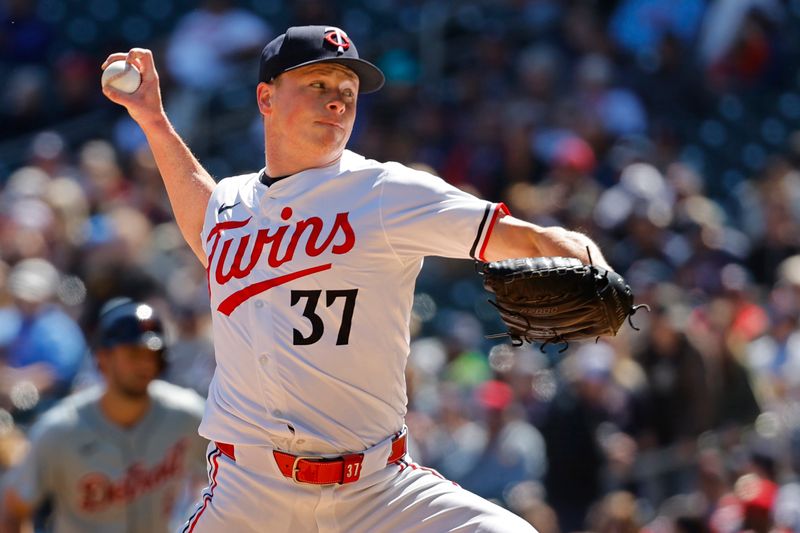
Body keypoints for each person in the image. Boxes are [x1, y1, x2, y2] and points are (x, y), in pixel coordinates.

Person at [100, 25, 612, 532]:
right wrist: (154, 120)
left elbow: (525, 238)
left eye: (347, 92)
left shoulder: (385, 191)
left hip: (377, 491)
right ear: (266, 97)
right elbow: (203, 222)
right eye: (318, 86)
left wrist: (595, 263)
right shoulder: (231, 204)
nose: (338, 102)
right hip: (248, 495)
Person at [0, 298, 208, 532]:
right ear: (103, 358)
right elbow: (12, 510)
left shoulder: (188, 414)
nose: (145, 364)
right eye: (133, 353)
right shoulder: (60, 429)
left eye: (152, 354)